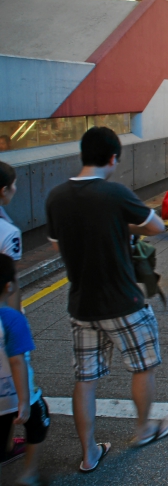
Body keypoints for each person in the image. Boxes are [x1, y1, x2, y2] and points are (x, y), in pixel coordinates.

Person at [45, 127, 168, 471]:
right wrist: (124, 228)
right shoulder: (115, 193)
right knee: (143, 365)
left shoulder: (56, 196)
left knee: (85, 378)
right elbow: (157, 226)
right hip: (122, 301)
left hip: (81, 303)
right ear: (113, 158)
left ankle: (89, 453)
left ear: (82, 154)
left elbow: (58, 245)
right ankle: (144, 428)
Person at [0, 255, 48, 484]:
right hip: (14, 395)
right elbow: (17, 361)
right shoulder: (12, 319)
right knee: (39, 420)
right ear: (9, 286)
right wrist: (23, 401)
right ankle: (29, 474)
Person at [0, 161, 22, 311]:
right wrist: (16, 318)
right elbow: (11, 283)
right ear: (4, 190)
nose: (15, 189)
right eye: (13, 185)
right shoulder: (9, 232)